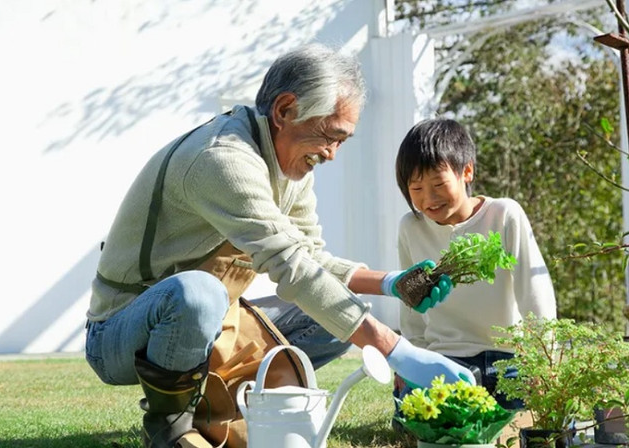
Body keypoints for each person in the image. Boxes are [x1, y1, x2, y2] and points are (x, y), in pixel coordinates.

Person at [85, 44, 476, 448]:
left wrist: (392, 283)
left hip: (217, 322)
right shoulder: (223, 159)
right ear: (286, 110)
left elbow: (310, 257)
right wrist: (396, 349)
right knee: (198, 292)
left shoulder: (292, 166)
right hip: (123, 330)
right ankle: (170, 426)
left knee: (336, 318)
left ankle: (228, 403)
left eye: (343, 141)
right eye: (331, 136)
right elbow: (290, 265)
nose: (331, 154)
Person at [391, 118, 556, 426]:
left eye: (439, 185)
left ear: (467, 172)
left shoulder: (504, 215)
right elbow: (410, 305)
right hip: (443, 358)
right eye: (416, 188)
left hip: (506, 360)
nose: (428, 199)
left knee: (513, 423)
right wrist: (410, 362)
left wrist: (541, 361)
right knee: (424, 423)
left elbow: (535, 294)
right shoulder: (409, 227)